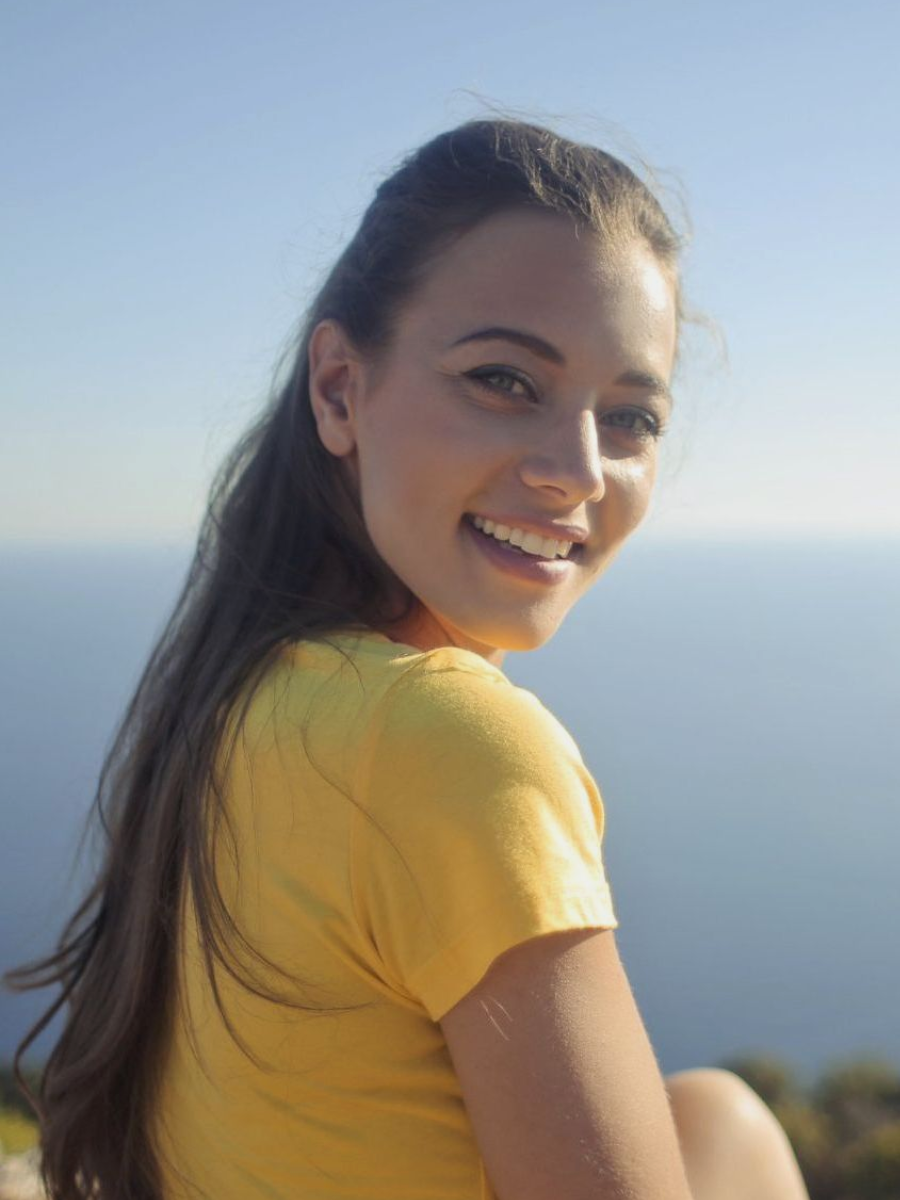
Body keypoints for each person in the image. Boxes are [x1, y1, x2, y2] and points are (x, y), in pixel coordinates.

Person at [8, 119, 811, 1200]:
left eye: (631, 416)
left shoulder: (248, 692)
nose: (579, 471)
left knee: (716, 1115)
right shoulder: (454, 746)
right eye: (504, 380)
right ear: (340, 390)